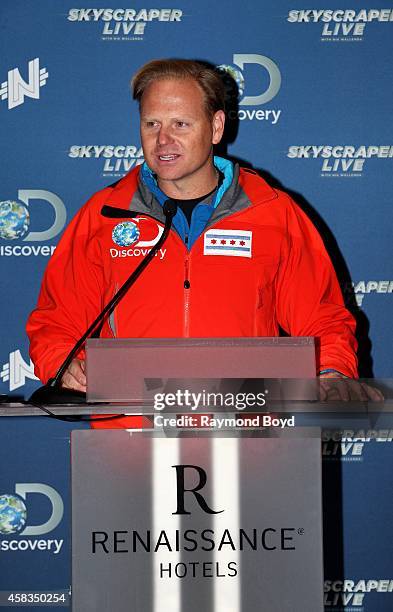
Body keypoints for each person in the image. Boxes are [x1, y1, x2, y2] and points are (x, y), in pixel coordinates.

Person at [27, 58, 370, 409]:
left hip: (249, 432)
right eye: (151, 124)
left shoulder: (272, 213)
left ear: (216, 127)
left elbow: (322, 317)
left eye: (180, 124)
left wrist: (331, 371)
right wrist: (63, 364)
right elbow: (58, 321)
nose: (163, 140)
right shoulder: (103, 216)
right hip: (129, 434)